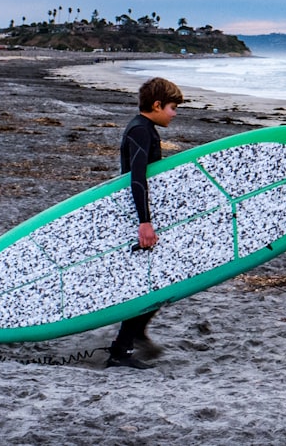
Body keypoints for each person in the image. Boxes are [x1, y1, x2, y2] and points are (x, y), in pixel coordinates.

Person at [106, 77, 185, 369]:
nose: (174, 114)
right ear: (156, 105)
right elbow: (137, 178)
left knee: (154, 283)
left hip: (139, 214)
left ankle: (134, 336)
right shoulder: (141, 131)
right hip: (137, 217)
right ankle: (122, 349)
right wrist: (144, 222)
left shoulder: (143, 128)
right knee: (148, 285)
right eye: (173, 108)